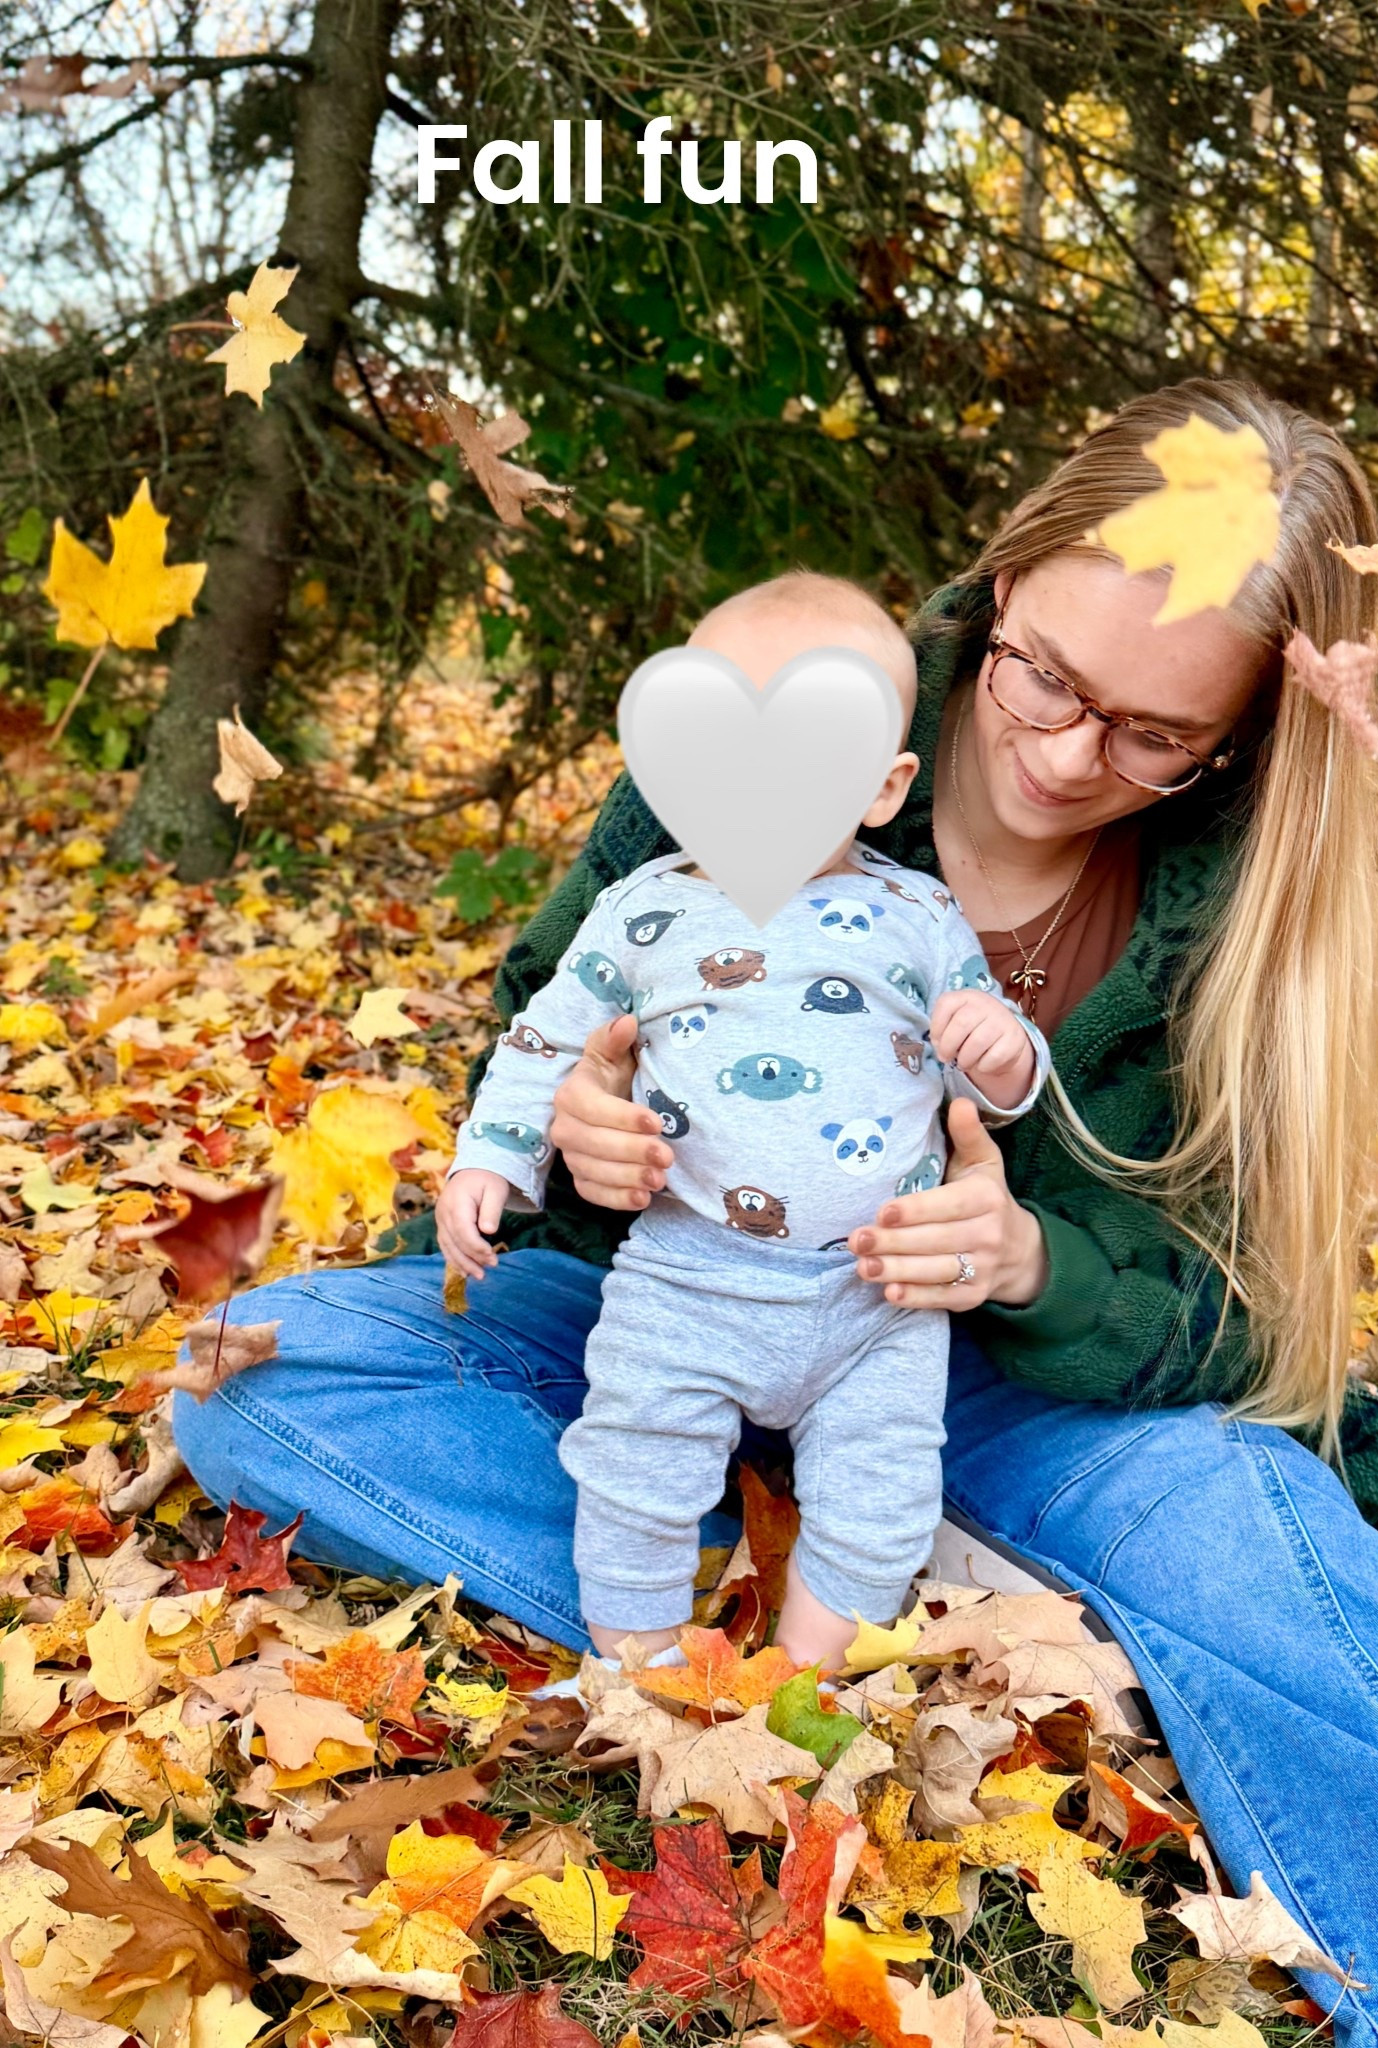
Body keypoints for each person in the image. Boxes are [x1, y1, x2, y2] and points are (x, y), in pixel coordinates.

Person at [171, 377, 1378, 2048]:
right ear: (1002, 582)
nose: (1065, 755)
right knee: (258, 1368)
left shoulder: (1252, 903)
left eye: (1152, 736)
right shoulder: (770, 719)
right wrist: (579, 1138)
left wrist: (1031, 1262)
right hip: (675, 1319)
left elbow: (1247, 1313)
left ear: (1232, 740)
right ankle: (865, 1616)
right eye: (1046, 678)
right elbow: (540, 1041)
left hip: (1010, 1398)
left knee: (1248, 1535)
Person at [435, 573, 1048, 1672]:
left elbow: (987, 1065)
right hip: (686, 1277)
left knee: (882, 1496)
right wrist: (491, 1158)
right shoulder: (643, 909)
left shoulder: (917, 913)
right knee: (631, 1466)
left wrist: (1002, 1055)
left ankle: (802, 1671)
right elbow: (543, 1039)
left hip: (875, 1296)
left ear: (881, 787)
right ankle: (643, 1664)